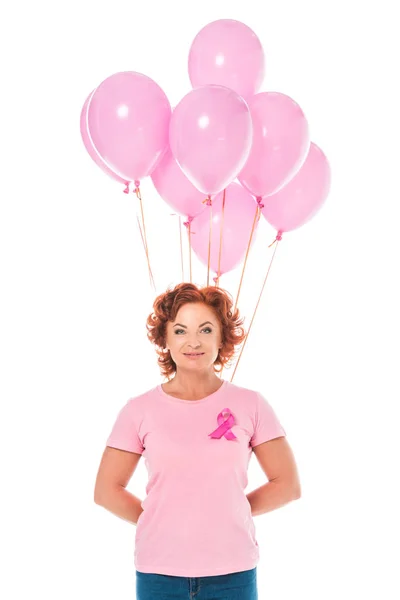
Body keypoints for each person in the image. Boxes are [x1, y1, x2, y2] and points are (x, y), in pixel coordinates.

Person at [94, 282, 301, 600]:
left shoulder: (251, 404)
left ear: (223, 337)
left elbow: (287, 484)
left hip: (233, 573)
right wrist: (161, 518)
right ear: (164, 338)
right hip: (159, 574)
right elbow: (106, 491)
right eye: (180, 331)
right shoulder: (138, 410)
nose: (193, 342)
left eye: (206, 330)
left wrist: (231, 510)